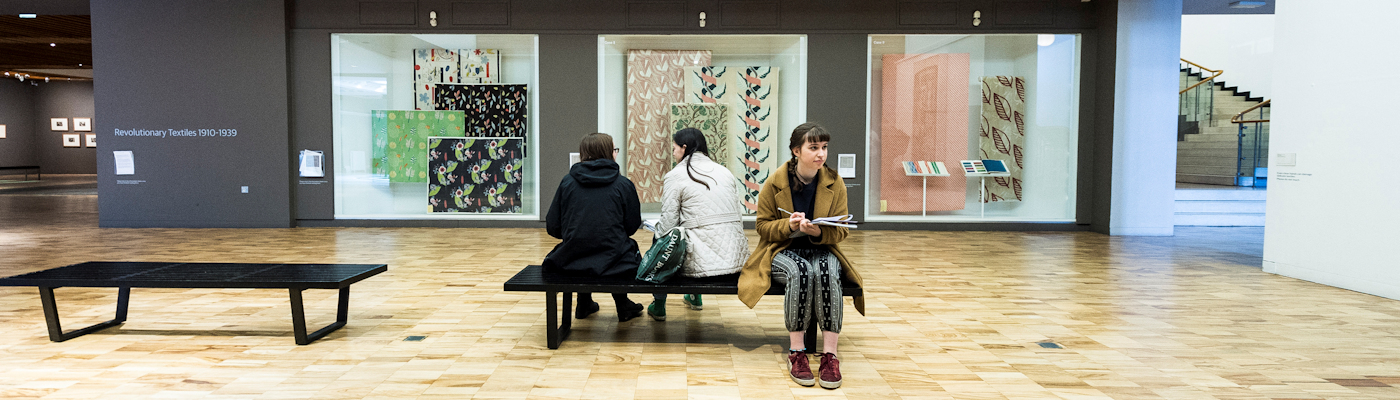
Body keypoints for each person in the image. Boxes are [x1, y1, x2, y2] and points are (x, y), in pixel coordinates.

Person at [737, 122, 864, 390]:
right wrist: (789, 226)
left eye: (824, 147)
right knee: (800, 272)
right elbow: (762, 227)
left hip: (821, 248)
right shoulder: (775, 182)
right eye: (814, 147)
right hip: (783, 249)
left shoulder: (834, 181)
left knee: (828, 271)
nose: (821, 154)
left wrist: (819, 232)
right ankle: (797, 352)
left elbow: (841, 232)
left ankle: (830, 354)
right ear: (797, 151)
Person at [646, 128, 750, 321]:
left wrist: (659, 229)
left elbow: (668, 224)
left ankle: (659, 304)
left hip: (699, 264)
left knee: (660, 237)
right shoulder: (725, 172)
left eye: (675, 148)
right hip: (735, 259)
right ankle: (695, 298)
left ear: (684, 148)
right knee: (701, 233)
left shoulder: (675, 175)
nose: (674, 152)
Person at [543, 132, 645, 322]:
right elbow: (631, 226)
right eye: (614, 150)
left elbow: (552, 226)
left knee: (583, 246)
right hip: (616, 262)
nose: (616, 153)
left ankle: (584, 302)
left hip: (572, 261)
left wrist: (575, 233)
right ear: (608, 153)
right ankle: (623, 305)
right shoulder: (623, 184)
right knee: (618, 248)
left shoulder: (567, 182)